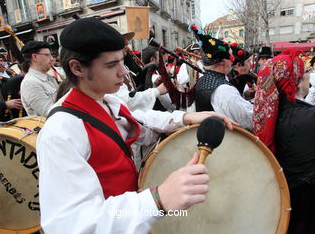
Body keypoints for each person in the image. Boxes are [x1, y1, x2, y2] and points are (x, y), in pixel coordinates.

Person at [36, 17, 236, 233]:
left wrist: (184, 119)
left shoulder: (106, 101)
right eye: (112, 65)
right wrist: (158, 199)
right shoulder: (60, 132)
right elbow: (70, 224)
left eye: (121, 61)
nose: (123, 71)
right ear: (77, 68)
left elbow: (139, 121)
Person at [253, 49, 315, 234]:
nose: (308, 75)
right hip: (310, 211)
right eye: (305, 73)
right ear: (296, 81)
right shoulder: (301, 118)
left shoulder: (271, 112)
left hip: (286, 206)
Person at [189, 24, 253, 131]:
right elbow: (249, 119)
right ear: (223, 63)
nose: (233, 62)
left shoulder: (203, 81)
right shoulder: (224, 90)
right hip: (225, 140)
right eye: (231, 57)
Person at [20, 41, 59, 117]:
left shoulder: (49, 77)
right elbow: (51, 112)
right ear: (35, 57)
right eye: (47, 55)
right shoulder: (30, 83)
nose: (52, 59)